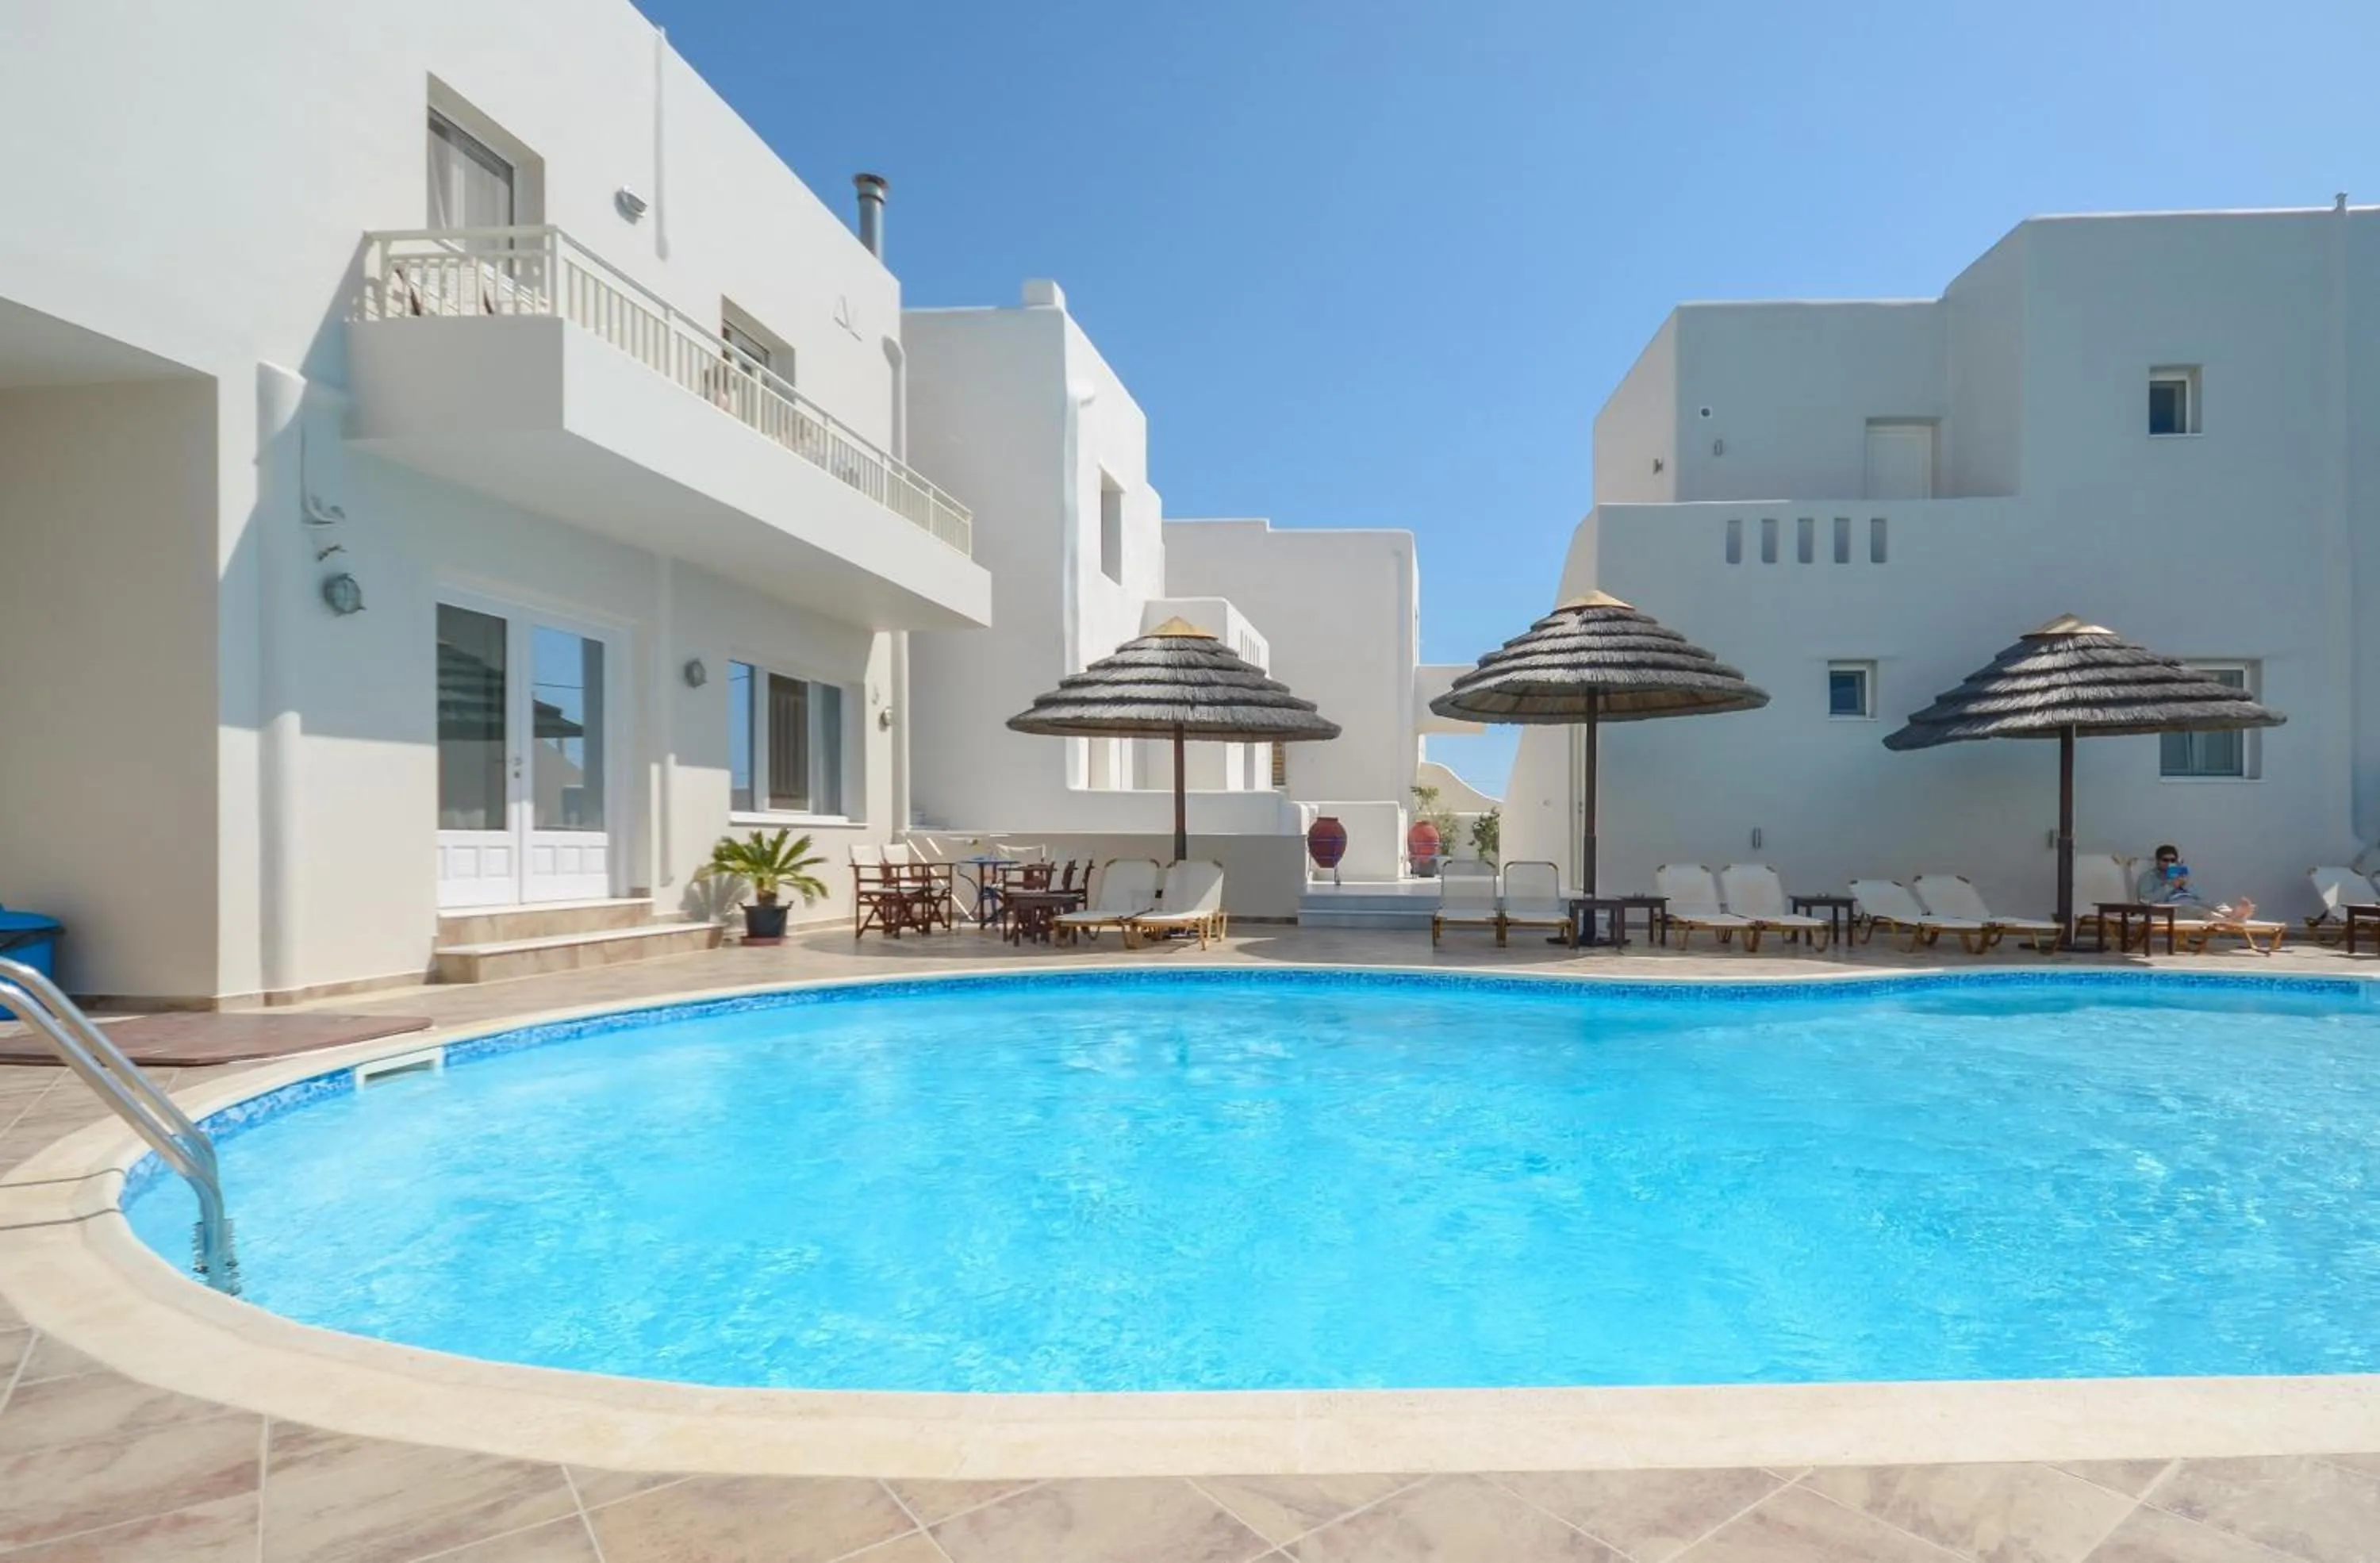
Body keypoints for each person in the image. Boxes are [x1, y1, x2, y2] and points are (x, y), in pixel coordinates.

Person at [2135, 844, 2255, 922]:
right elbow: (2146, 899)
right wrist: (2170, 886)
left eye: (2173, 860)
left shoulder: (2179, 875)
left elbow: (2197, 897)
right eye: (2165, 860)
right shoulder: (2148, 877)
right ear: (2157, 861)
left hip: (2190, 902)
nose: (2169, 863)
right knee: (2199, 911)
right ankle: (2232, 920)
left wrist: (2185, 885)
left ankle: (2231, 913)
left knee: (2214, 904)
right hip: (2170, 907)